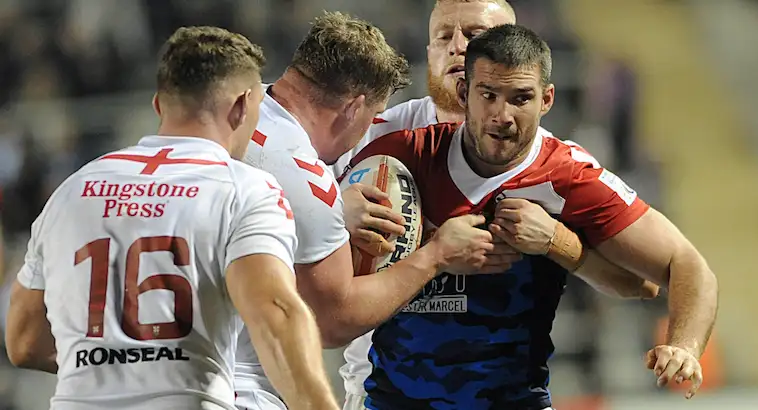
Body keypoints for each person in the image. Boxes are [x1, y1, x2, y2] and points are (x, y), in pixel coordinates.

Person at [338, 24, 719, 410]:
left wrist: (684, 346)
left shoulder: (568, 175)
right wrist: (340, 210)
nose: (503, 115)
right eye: (488, 95)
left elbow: (685, 265)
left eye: (521, 98)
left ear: (547, 99)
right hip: (395, 402)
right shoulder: (397, 159)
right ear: (463, 93)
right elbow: (323, 288)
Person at [4, 26, 338, 410]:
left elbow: (24, 340)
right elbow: (275, 315)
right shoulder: (243, 188)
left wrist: (115, 370)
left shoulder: (72, 189)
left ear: (159, 105)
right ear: (242, 105)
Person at [236, 11, 521, 410]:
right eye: (369, 120)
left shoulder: (236, 111)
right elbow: (333, 319)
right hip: (238, 384)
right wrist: (436, 256)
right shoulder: (308, 175)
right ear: (354, 109)